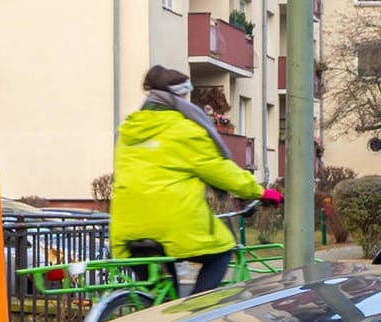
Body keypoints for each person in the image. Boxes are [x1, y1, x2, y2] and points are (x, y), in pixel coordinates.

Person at [108, 65, 282, 296]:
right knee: (222, 252)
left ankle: (162, 312)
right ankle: (197, 312)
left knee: (162, 295)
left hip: (127, 226)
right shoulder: (185, 129)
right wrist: (259, 192)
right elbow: (219, 169)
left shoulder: (129, 128)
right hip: (171, 223)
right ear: (177, 97)